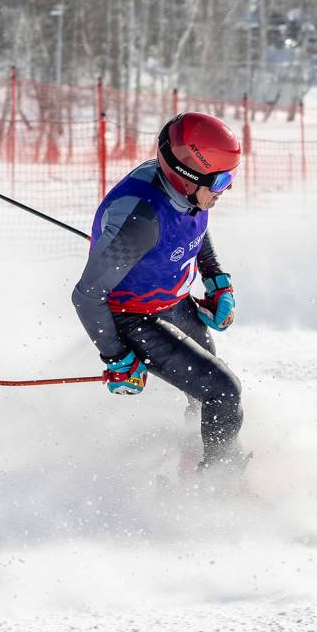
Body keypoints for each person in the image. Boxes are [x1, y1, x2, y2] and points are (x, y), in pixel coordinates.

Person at [71, 111, 245, 475]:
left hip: (171, 302)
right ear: (187, 176)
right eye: (221, 181)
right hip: (134, 317)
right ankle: (218, 489)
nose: (225, 189)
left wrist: (216, 279)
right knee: (223, 392)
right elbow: (87, 295)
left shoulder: (190, 195)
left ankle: (200, 458)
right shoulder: (141, 221)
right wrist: (116, 356)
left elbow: (192, 226)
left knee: (206, 391)